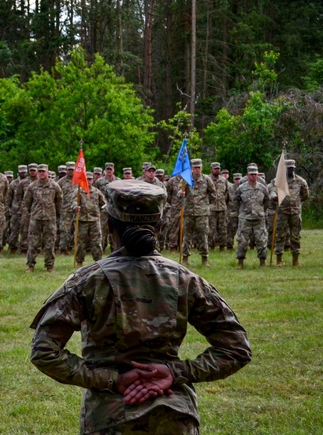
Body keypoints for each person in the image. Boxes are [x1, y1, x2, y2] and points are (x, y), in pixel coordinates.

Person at [30, 180, 251, 435]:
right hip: (175, 416)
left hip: (110, 418)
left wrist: (112, 380)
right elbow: (236, 348)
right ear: (159, 226)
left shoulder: (87, 281)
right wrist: (175, 371)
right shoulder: (186, 280)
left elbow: (44, 352)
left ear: (109, 225)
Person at [23, 164, 63, 273]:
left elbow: (59, 202)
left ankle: (49, 266)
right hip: (35, 219)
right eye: (39, 171)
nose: (41, 173)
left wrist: (56, 215)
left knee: (50, 243)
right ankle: (31, 265)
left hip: (50, 219)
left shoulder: (55, 186)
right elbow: (26, 203)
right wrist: (32, 214)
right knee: (33, 243)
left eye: (43, 171)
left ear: (47, 172)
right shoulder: (32, 186)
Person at [270, 159, 308, 266]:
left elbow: (305, 195)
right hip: (282, 212)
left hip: (295, 213)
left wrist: (296, 202)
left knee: (295, 236)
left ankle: (295, 259)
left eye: (292, 168)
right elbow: (272, 191)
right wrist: (274, 197)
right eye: (288, 168)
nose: (290, 170)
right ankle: (279, 259)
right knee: (280, 235)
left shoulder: (300, 181)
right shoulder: (278, 181)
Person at [235, 164, 270, 269]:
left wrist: (261, 211)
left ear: (258, 175)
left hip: (259, 218)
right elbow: (236, 200)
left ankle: (262, 261)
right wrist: (242, 212)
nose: (253, 176)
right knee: (242, 241)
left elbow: (266, 201)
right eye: (251, 174)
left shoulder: (262, 188)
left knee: (261, 240)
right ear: (247, 175)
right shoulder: (241, 188)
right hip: (245, 218)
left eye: (255, 174)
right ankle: (240, 262)